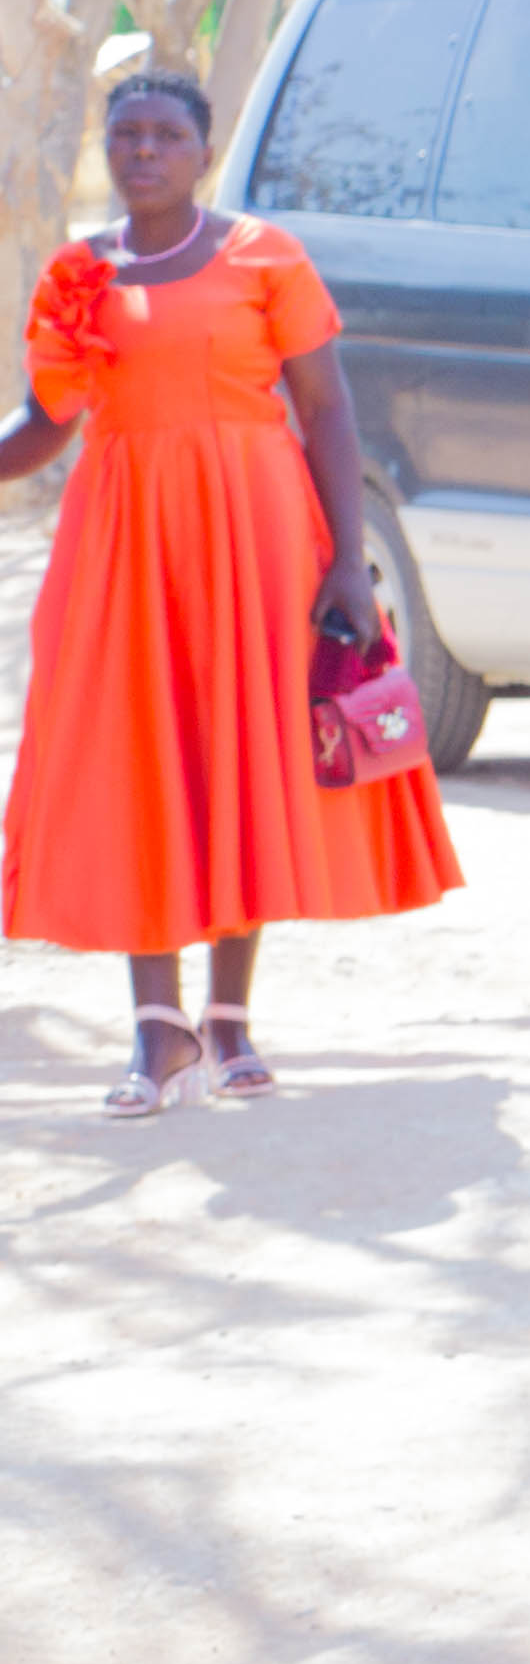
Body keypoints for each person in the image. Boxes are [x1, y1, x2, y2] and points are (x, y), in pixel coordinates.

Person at [0, 64, 458, 1113]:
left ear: (203, 153)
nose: (144, 151)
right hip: (124, 547)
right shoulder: (78, 275)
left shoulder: (266, 257)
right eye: (127, 135)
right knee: (141, 756)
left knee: (239, 753)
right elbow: (45, 424)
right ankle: (156, 1031)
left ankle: (229, 1018)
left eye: (166, 135)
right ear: (107, 151)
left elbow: (327, 409)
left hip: (258, 539)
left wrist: (349, 561)